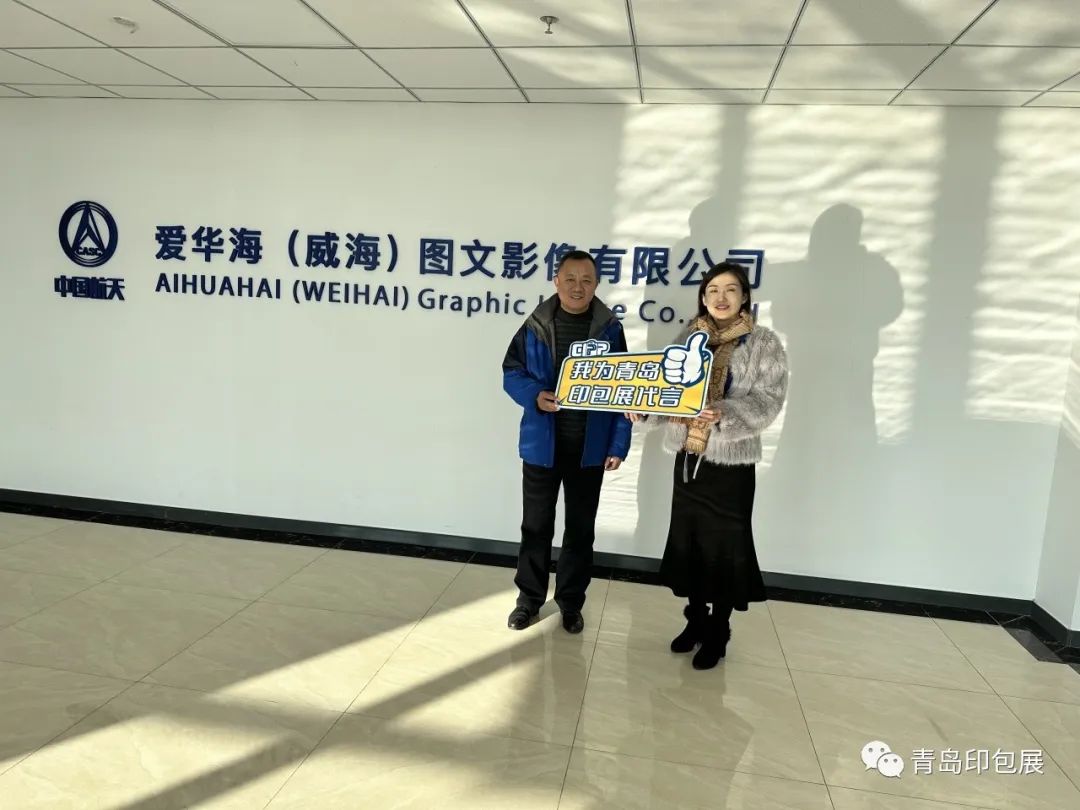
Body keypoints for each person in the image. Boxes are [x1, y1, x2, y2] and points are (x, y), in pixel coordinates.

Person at [628, 261, 788, 669]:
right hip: (689, 459)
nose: (720, 297)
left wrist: (723, 414)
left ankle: (719, 629)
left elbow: (769, 400)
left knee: (724, 549)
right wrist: (643, 413)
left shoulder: (764, 343)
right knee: (691, 545)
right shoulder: (689, 338)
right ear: (703, 296)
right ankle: (695, 619)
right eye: (712, 289)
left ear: (744, 297)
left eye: (730, 289)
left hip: (730, 466)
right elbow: (668, 390)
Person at [502, 250, 632, 634]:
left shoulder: (610, 330)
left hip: (589, 450)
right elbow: (511, 372)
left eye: (586, 280)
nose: (578, 287)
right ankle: (528, 600)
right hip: (542, 447)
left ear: (596, 284)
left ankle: (571, 603)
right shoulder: (536, 324)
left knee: (580, 531)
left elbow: (625, 388)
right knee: (535, 528)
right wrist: (534, 394)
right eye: (570, 279)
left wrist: (618, 445)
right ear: (556, 281)